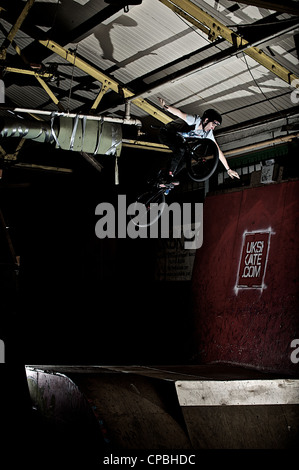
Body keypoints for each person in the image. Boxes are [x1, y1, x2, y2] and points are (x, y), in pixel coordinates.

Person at [158, 97, 240, 183]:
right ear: (206, 120)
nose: (213, 127)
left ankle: (167, 177)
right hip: (166, 133)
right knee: (181, 149)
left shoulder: (208, 133)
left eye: (215, 126)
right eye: (213, 124)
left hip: (178, 139)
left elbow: (218, 151)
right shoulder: (195, 120)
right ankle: (168, 175)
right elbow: (179, 113)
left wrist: (228, 169)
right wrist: (166, 107)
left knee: (186, 158)